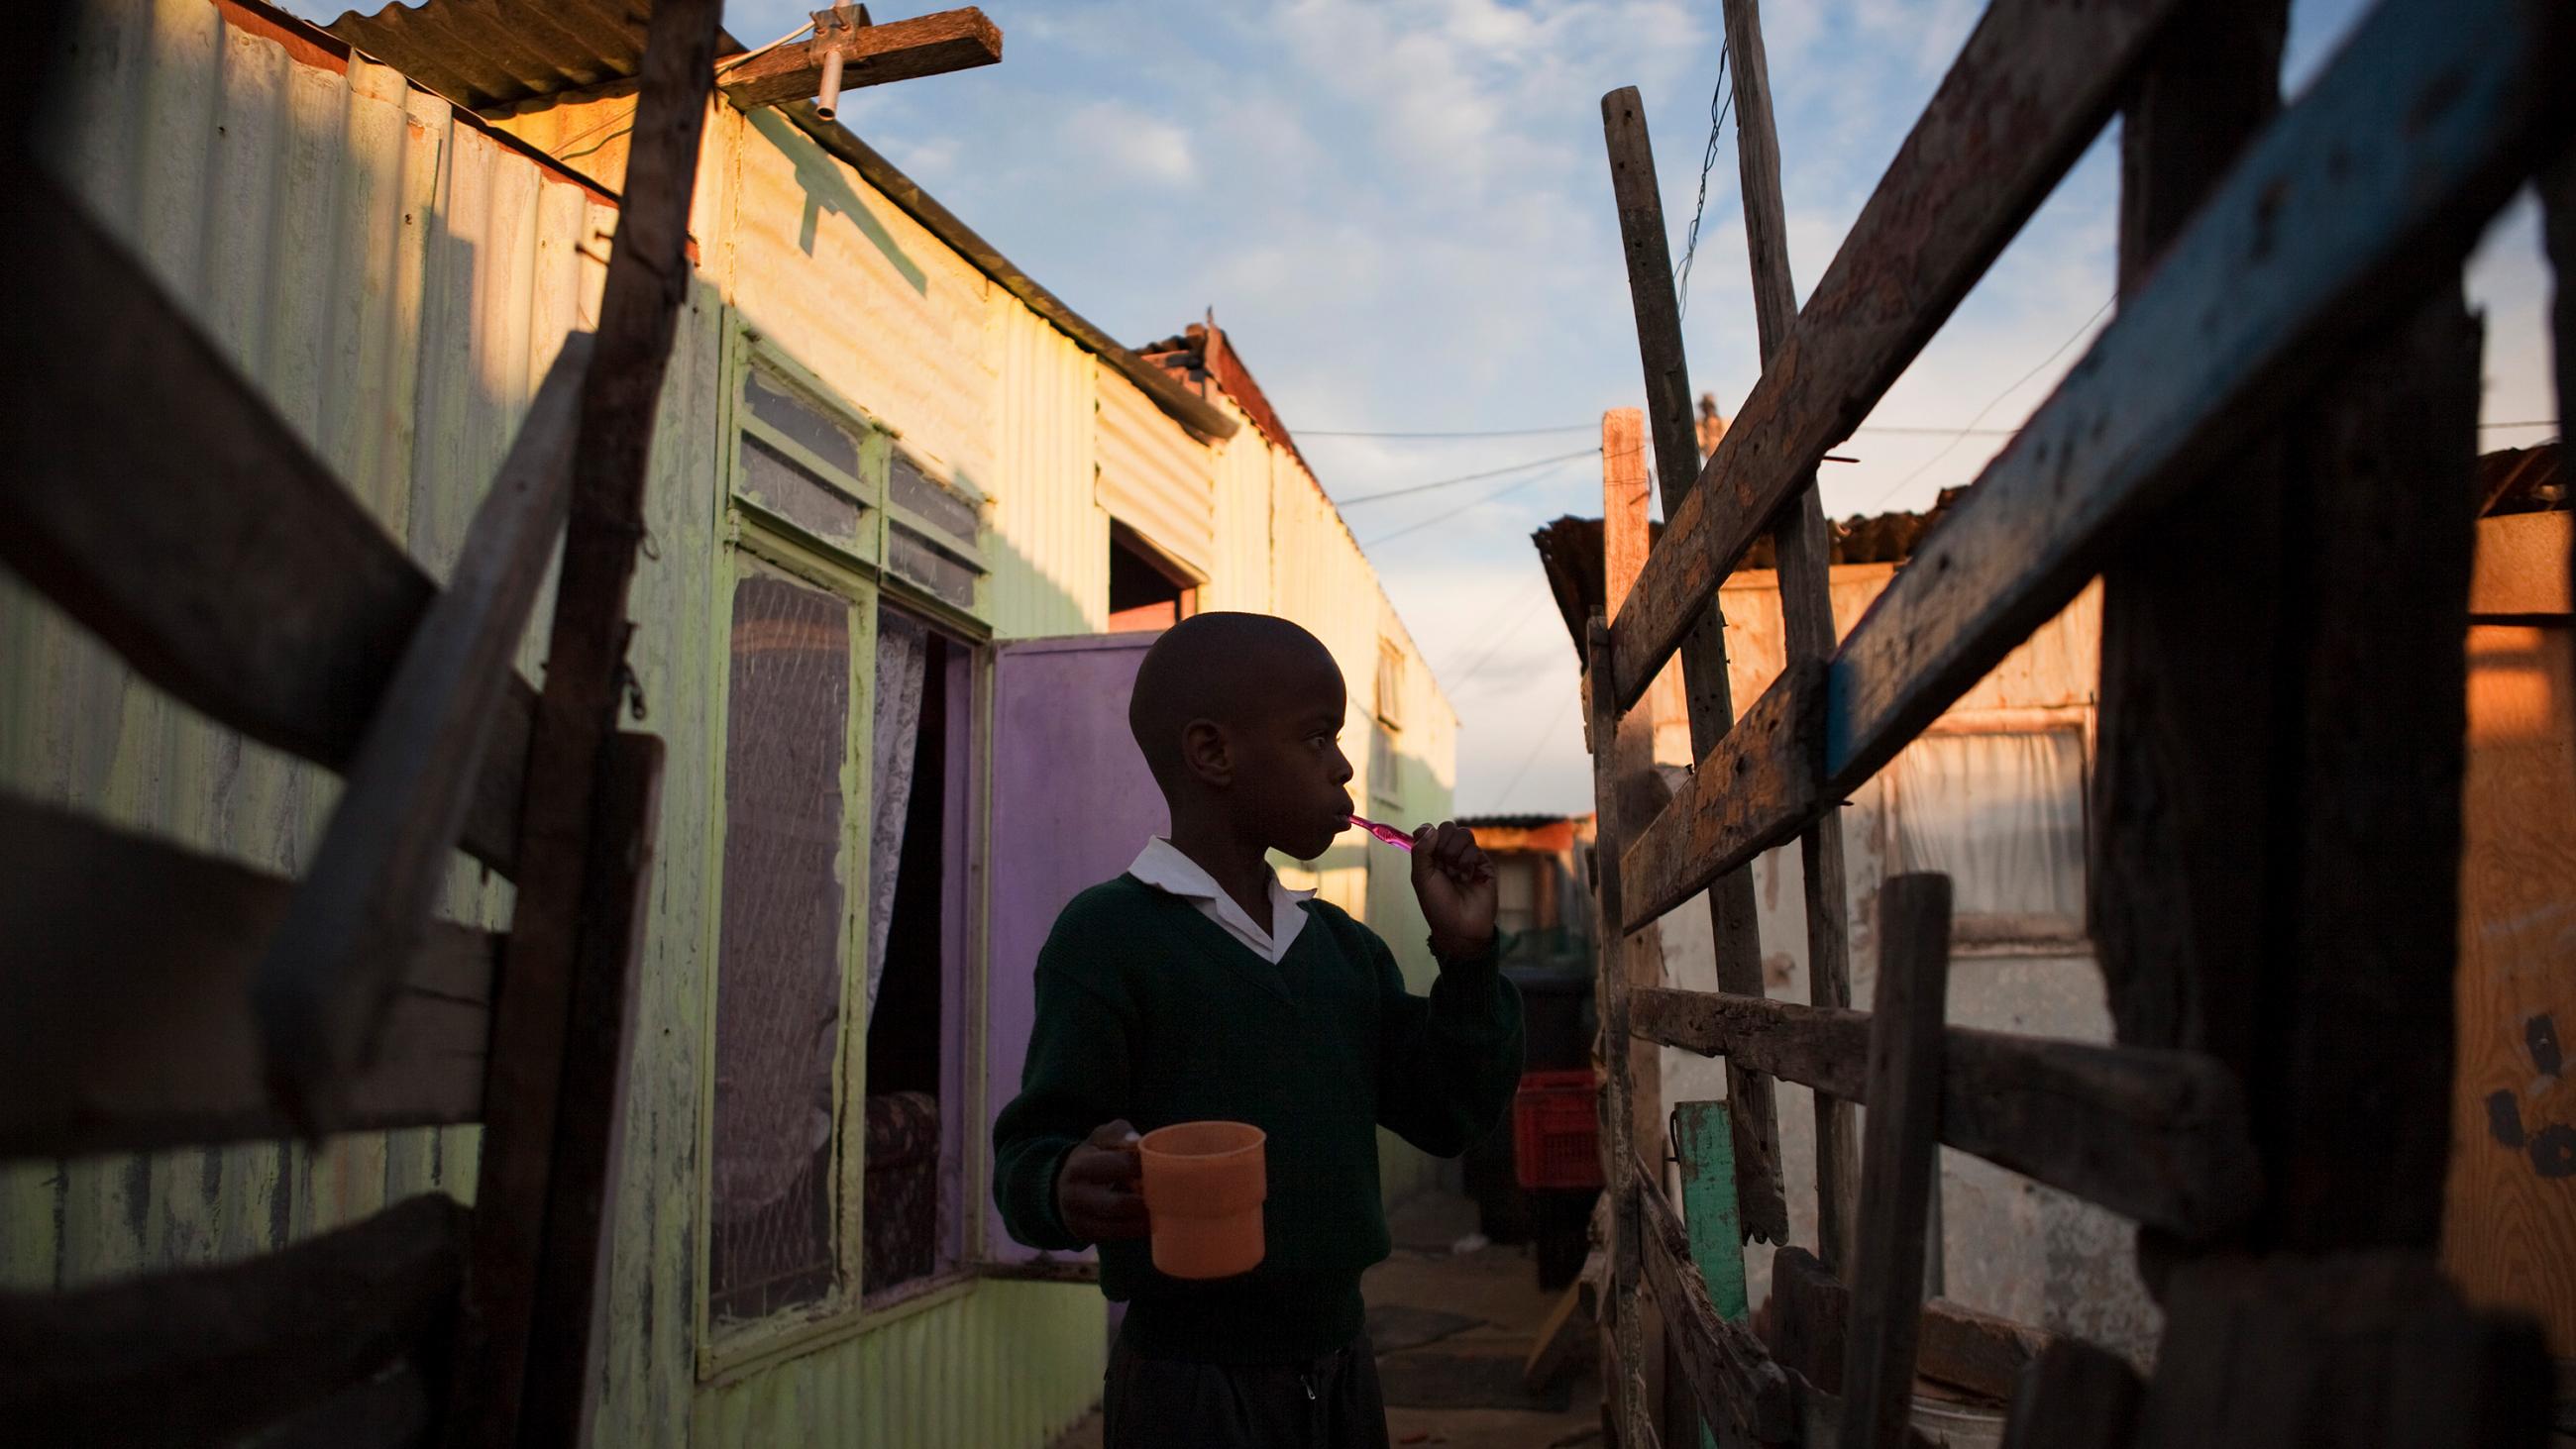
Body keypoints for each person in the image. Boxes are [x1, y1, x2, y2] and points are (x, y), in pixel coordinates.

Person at [993, 612, 1525, 1448]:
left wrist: (1467, 958)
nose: (1345, 765)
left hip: (1343, 1373)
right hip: (1185, 1390)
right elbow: (1030, 1151)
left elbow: (1450, 1113)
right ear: (1213, 754)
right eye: (1319, 737)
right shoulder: (1108, 938)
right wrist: (1063, 1181)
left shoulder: (1343, 952)